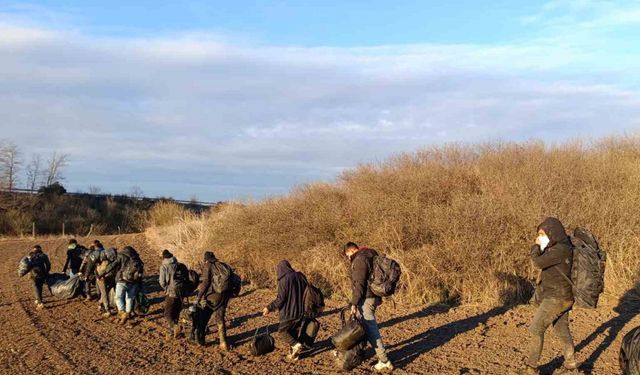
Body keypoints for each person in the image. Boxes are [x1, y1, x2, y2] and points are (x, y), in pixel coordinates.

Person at [522, 217, 577, 374]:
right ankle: (571, 366)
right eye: (539, 235)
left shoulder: (560, 249)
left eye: (542, 234)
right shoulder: (561, 247)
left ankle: (531, 368)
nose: (540, 238)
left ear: (553, 233)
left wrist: (535, 246)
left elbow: (538, 263)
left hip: (557, 297)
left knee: (535, 329)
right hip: (563, 296)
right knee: (561, 329)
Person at [343, 242, 394, 372]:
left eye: (348, 255)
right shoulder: (372, 253)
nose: (348, 258)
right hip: (374, 297)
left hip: (366, 298)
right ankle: (359, 353)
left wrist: (353, 303)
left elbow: (359, 284)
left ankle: (384, 361)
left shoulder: (359, 259)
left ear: (351, 251)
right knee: (363, 326)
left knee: (370, 328)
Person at [262, 260, 307, 361]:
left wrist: (269, 308)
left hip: (288, 312)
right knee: (293, 334)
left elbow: (280, 299)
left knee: (282, 332)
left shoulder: (284, 280)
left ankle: (296, 345)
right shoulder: (301, 276)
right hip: (301, 311)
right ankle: (294, 355)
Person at [192, 251, 230, 350]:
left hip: (212, 296)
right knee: (220, 318)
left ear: (206, 259)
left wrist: (199, 297)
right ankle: (223, 342)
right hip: (224, 295)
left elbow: (205, 283)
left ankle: (201, 341)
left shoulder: (207, 266)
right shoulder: (222, 265)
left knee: (202, 317)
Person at [97, 246, 144, 324]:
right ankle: (128, 313)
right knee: (129, 298)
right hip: (133, 281)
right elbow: (141, 271)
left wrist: (103, 273)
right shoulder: (136, 258)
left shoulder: (121, 255)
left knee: (118, 297)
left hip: (122, 280)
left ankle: (122, 312)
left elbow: (113, 265)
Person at [159, 249, 183, 340]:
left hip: (171, 292)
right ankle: (174, 332)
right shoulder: (178, 264)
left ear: (164, 257)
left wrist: (166, 289)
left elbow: (162, 282)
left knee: (167, 313)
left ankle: (175, 327)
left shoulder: (164, 266)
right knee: (176, 311)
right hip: (181, 291)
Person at [96, 247, 117, 317]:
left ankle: (100, 304)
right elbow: (104, 272)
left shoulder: (103, 262)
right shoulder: (106, 263)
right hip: (102, 279)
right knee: (105, 293)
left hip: (104, 279)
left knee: (105, 292)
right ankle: (107, 309)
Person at [28, 245, 51, 309]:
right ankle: (38, 299)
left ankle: (40, 303)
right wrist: (47, 272)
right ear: (40, 249)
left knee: (36, 287)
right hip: (42, 274)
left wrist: (29, 274)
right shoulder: (44, 255)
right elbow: (48, 265)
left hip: (33, 274)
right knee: (39, 287)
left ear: (33, 250)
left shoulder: (30, 255)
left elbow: (27, 266)